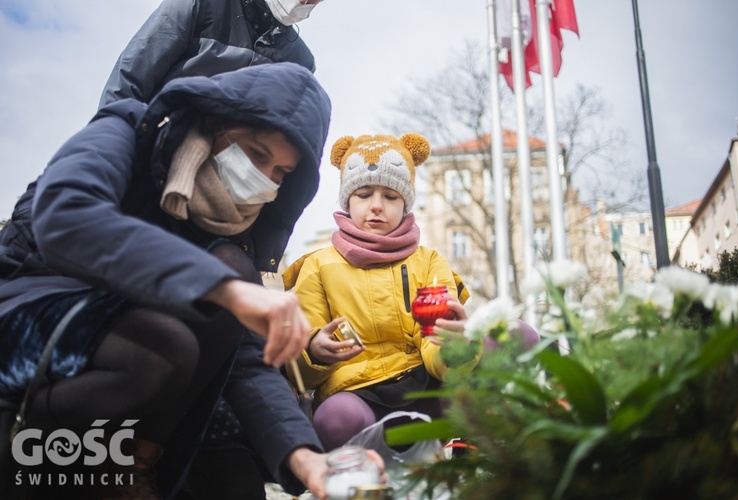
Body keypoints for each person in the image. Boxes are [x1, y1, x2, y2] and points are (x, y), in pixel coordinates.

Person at [0, 62, 334, 499]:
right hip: (31, 306)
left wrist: (303, 455)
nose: (264, 180)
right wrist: (226, 290)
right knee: (162, 347)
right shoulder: (126, 131)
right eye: (255, 153)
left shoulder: (232, 230)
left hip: (130, 336)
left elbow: (248, 361)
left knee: (228, 269)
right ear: (216, 121)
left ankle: (137, 462)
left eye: (281, 173)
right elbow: (66, 215)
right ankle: (25, 450)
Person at [282, 133, 480, 451]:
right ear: (348, 200)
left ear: (405, 203)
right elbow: (298, 374)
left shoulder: (429, 261)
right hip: (353, 394)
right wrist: (314, 352)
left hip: (424, 386)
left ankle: (472, 453)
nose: (376, 206)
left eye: (390, 196)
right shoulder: (318, 266)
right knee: (335, 419)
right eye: (363, 194)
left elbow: (437, 353)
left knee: (515, 337)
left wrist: (454, 345)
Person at [99, 0, 324, 109]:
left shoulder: (301, 64)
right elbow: (127, 82)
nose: (304, 1)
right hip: (146, 161)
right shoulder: (203, 3)